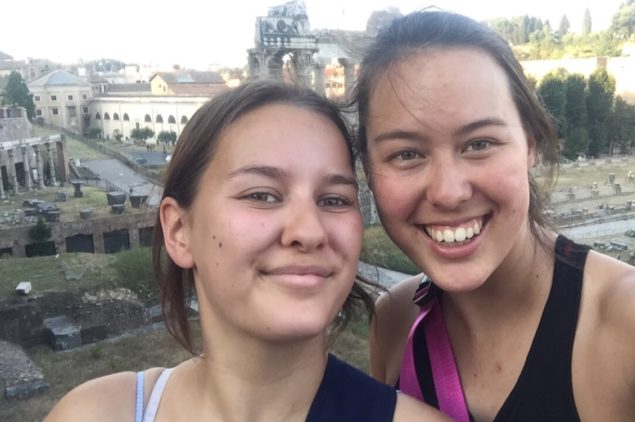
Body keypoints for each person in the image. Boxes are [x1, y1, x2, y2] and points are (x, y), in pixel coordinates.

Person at [352, 11, 635, 422]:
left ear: (530, 144)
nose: (449, 192)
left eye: (479, 143)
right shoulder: (395, 321)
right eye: (407, 154)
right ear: (368, 167)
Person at [47, 82, 447, 422]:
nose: (308, 231)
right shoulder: (96, 414)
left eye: (334, 200)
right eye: (262, 195)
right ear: (179, 230)